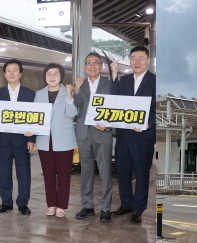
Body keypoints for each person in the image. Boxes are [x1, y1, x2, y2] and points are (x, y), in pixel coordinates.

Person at [110, 46, 156, 223]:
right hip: (123, 137)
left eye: (141, 58)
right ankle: (126, 204)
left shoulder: (155, 81)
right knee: (122, 172)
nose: (137, 61)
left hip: (143, 137)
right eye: (133, 58)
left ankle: (139, 208)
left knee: (142, 173)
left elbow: (156, 109)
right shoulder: (125, 80)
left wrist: (147, 123)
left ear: (148, 61)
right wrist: (114, 75)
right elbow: (114, 100)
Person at [0, 59, 36, 215]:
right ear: (4, 74)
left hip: (22, 140)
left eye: (15, 70)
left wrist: (32, 139)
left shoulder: (30, 94)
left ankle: (23, 203)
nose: (12, 73)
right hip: (4, 140)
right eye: (8, 70)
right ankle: (6, 202)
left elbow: (34, 117)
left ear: (21, 74)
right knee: (4, 172)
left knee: (24, 173)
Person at [73, 52, 113, 222]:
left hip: (102, 132)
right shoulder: (80, 84)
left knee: (105, 172)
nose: (92, 65)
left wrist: (109, 124)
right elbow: (77, 106)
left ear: (101, 66)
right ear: (84, 66)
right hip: (84, 133)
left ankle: (106, 208)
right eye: (88, 63)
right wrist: (75, 89)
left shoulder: (110, 85)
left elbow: (115, 108)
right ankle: (87, 206)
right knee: (86, 171)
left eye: (95, 63)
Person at [34, 63, 77, 218]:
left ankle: (62, 206)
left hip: (64, 140)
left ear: (61, 77)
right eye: (49, 74)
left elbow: (72, 114)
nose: (52, 76)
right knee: (48, 175)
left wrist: (70, 97)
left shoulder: (67, 92)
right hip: (44, 141)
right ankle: (51, 204)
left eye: (55, 74)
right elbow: (35, 117)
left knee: (64, 175)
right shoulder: (38, 94)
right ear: (45, 76)